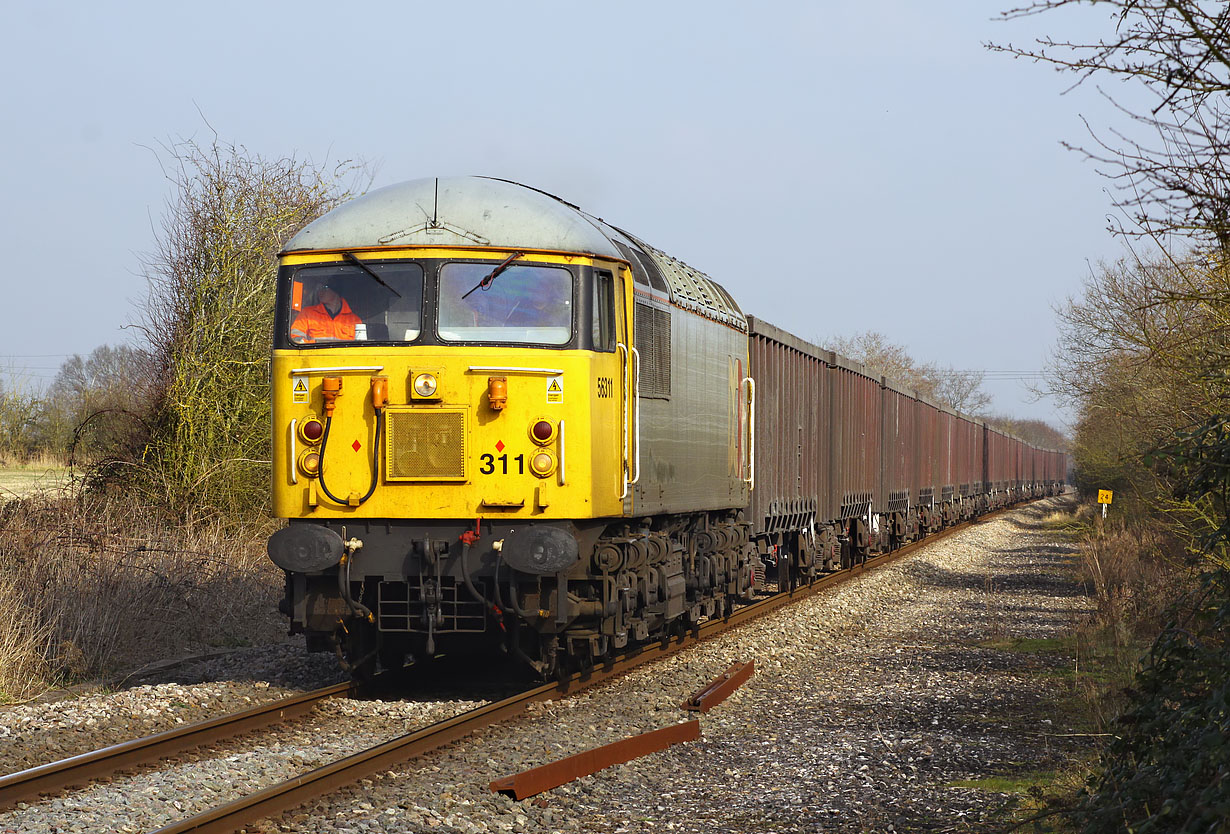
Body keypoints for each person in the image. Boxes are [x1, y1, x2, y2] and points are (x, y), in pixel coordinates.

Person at [290, 282, 363, 342]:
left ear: (336, 292)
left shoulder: (354, 320)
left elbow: (360, 345)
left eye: (324, 288)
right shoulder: (307, 313)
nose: (320, 291)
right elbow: (295, 338)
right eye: (319, 289)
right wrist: (313, 345)